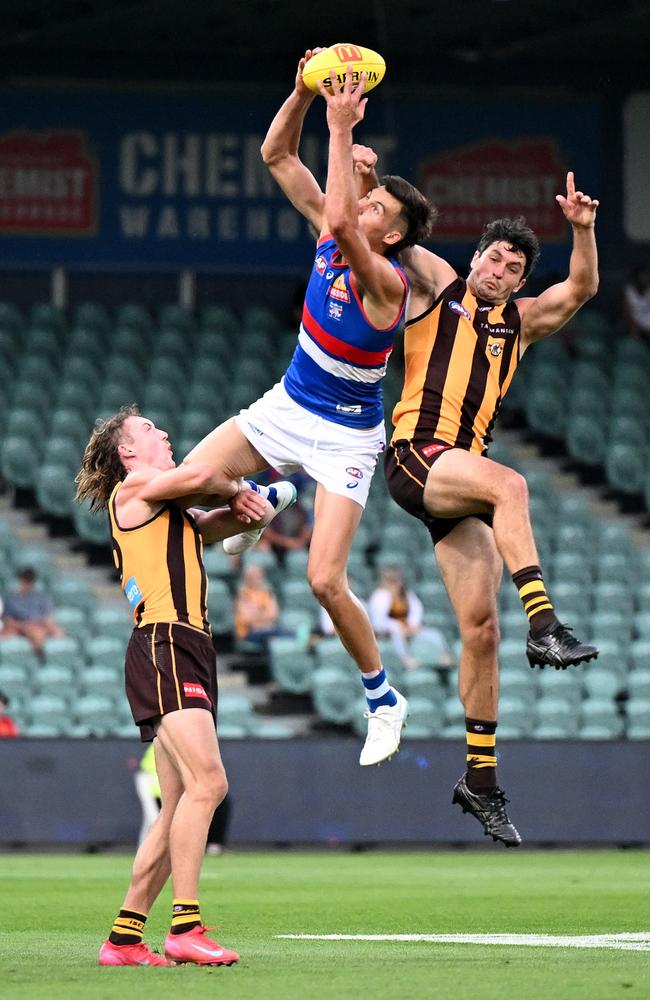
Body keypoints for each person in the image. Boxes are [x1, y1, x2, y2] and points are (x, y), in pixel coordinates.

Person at [182, 52, 436, 768]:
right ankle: (264, 496)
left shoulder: (386, 281)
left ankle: (384, 698)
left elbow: (340, 217)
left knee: (324, 580)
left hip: (348, 439)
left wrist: (339, 121)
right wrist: (299, 92)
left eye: (377, 207)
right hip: (286, 406)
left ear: (391, 235)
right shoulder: (337, 230)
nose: (362, 207)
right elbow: (274, 153)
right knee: (183, 507)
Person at [378, 170, 600, 846]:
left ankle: (479, 780)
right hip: (419, 453)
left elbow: (583, 288)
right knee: (513, 485)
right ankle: (547, 623)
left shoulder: (520, 323)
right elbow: (394, 232)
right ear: (475, 258)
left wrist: (583, 231)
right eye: (494, 256)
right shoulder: (436, 286)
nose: (500, 269)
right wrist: (364, 179)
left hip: (457, 483)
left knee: (480, 632)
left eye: (514, 266)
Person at [75, 403, 296, 967]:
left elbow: (213, 523)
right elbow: (201, 478)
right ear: (127, 452)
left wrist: (251, 507)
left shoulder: (165, 508)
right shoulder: (138, 486)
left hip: (187, 647)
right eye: (150, 429)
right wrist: (242, 482)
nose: (164, 431)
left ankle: (124, 939)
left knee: (179, 802)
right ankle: (185, 926)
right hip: (165, 642)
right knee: (209, 783)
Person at [367, 565, 451, 671]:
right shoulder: (379, 596)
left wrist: (413, 625)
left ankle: (443, 655)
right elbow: (378, 622)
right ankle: (406, 658)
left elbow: (416, 611)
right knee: (396, 633)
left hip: (409, 629)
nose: (394, 584)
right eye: (390, 581)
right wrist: (397, 627)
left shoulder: (407, 595)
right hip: (388, 632)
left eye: (396, 580)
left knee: (434, 634)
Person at [0, 567, 64, 658]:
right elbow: (7, 620)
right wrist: (23, 625)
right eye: (25, 582)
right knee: (36, 633)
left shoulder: (41, 598)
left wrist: (45, 624)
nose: (27, 585)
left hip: (38, 624)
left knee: (58, 632)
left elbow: (48, 618)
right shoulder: (11, 599)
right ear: (20, 581)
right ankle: (40, 659)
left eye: (29, 582)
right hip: (20, 626)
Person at [233, 563, 284, 650]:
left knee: (272, 638)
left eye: (258, 577)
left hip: (266, 630)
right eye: (253, 577)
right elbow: (246, 619)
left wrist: (257, 615)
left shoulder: (267, 593)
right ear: (247, 579)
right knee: (277, 634)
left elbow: (274, 615)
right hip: (248, 633)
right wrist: (263, 615)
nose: (256, 579)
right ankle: (298, 636)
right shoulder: (242, 595)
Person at [623, 263, 650, 339]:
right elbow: (626, 314)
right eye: (642, 276)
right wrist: (637, 328)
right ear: (636, 277)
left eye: (647, 276)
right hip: (635, 325)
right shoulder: (629, 291)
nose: (645, 279)